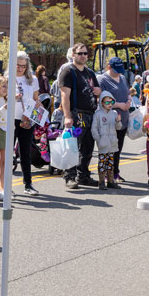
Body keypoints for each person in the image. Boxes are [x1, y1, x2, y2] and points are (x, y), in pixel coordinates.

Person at [60, 43, 101, 190]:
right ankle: (69, 177)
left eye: (85, 53)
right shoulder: (68, 72)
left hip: (91, 114)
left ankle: (83, 175)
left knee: (88, 148)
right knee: (72, 148)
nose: (83, 56)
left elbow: (98, 90)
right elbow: (65, 96)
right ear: (73, 55)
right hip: (76, 114)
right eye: (80, 53)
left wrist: (98, 91)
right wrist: (67, 116)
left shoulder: (90, 72)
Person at [97, 57, 132, 182]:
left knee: (118, 147)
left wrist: (128, 100)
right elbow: (101, 100)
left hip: (122, 118)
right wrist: (118, 105)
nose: (118, 72)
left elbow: (128, 92)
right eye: (115, 70)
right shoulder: (102, 80)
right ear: (109, 67)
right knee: (109, 147)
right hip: (109, 119)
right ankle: (107, 173)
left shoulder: (122, 78)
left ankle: (115, 172)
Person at [14, 52, 40, 195]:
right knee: (6, 153)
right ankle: (5, 186)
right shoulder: (7, 78)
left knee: (25, 152)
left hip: (27, 119)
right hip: (10, 118)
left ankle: (28, 184)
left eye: (23, 66)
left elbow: (36, 99)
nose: (20, 69)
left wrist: (37, 107)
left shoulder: (33, 79)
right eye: (18, 65)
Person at [92, 90, 121, 190]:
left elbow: (118, 127)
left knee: (110, 163)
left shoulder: (114, 113)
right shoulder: (98, 114)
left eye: (111, 102)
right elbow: (94, 129)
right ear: (102, 103)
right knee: (102, 163)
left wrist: (118, 121)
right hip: (103, 143)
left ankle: (110, 181)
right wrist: (99, 140)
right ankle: (101, 182)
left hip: (112, 142)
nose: (110, 104)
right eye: (107, 102)